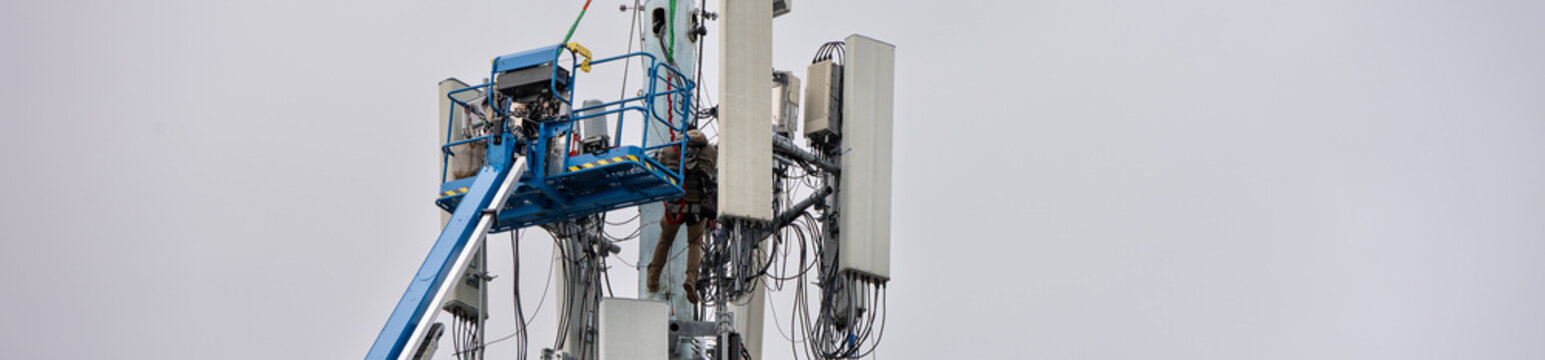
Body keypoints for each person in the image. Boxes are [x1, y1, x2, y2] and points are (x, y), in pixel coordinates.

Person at [646, 129, 717, 304]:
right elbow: (712, 170)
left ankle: (653, 278)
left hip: (675, 206)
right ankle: (691, 279)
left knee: (665, 240)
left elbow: (661, 168)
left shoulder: (670, 150)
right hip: (698, 208)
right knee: (695, 243)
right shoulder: (710, 151)